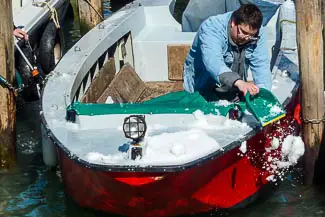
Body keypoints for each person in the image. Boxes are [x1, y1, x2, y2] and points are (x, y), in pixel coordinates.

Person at [183, 4, 272, 101]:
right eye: (244, 32)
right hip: (202, 83)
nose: (247, 38)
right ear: (233, 23)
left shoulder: (258, 32)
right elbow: (213, 62)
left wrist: (263, 95)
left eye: (251, 36)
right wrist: (240, 82)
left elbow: (261, 65)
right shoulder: (211, 27)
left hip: (234, 87)